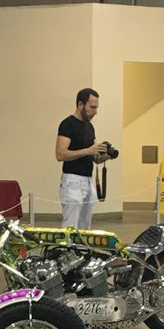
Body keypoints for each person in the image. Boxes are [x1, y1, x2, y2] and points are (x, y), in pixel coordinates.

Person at [55, 87, 110, 228]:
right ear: (81, 105)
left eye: (96, 107)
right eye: (92, 107)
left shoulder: (90, 127)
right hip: (72, 180)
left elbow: (92, 156)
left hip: (87, 180)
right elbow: (60, 154)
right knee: (71, 224)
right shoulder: (67, 124)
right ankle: (67, 250)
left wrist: (104, 155)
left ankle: (82, 249)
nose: (95, 112)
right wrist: (88, 150)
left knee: (85, 225)